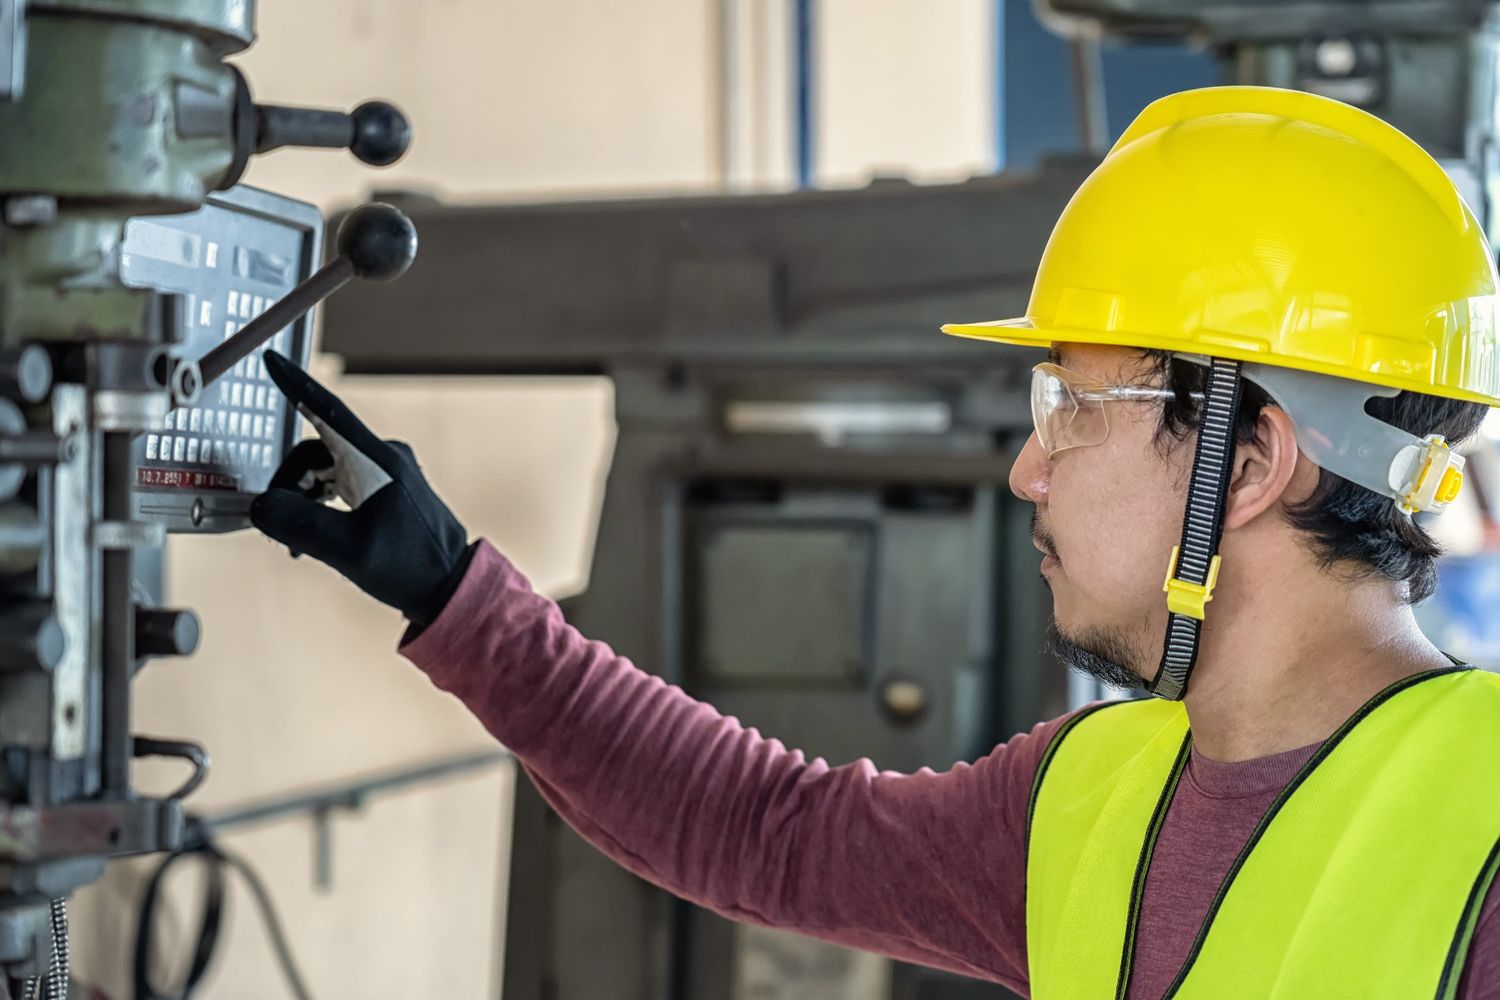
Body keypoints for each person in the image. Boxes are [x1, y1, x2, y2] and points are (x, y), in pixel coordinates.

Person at [249, 85, 1500, 998]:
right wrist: (456, 596)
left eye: (1074, 409)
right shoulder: (1088, 795)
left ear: (1256, 457)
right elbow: (761, 828)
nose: (1028, 468)